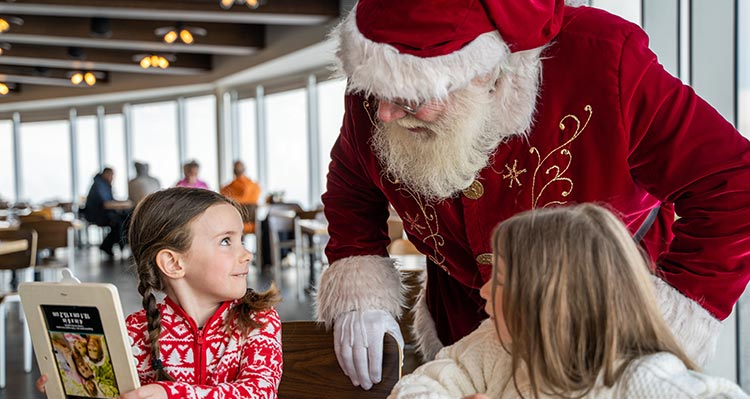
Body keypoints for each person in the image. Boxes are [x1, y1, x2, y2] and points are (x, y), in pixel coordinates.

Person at [316, 0, 750, 390]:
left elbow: (734, 184)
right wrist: (362, 297)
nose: (385, 114)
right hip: (464, 323)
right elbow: (352, 182)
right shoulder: (381, 86)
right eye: (378, 96)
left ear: (484, 71)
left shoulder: (602, 60)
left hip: (596, 327)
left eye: (411, 100)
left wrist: (659, 315)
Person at [388, 204, 749, 399]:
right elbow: (419, 386)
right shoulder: (495, 345)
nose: (482, 291)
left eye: (498, 279)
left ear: (545, 296)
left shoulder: (637, 381)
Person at [37, 187, 283, 398]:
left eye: (241, 239)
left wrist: (172, 393)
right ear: (174, 264)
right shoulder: (133, 333)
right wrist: (72, 383)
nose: (247, 254)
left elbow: (259, 391)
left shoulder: (258, 319)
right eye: (226, 241)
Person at [83, 167, 129, 259]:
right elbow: (106, 204)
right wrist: (121, 204)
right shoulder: (99, 185)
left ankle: (114, 245)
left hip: (104, 214)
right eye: (111, 175)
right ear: (105, 174)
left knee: (125, 218)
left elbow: (110, 201)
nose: (112, 178)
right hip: (97, 215)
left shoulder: (104, 185)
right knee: (119, 222)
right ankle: (111, 246)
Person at [221, 160, 262, 234]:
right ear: (245, 170)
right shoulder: (255, 187)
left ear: (233, 171)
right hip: (252, 225)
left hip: (233, 223)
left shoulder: (226, 189)